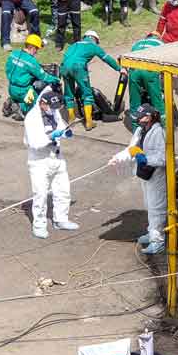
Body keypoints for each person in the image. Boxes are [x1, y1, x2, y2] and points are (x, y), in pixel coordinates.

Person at [24, 89, 79, 239]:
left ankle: (61, 219)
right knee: (40, 194)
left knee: (63, 190)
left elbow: (61, 126)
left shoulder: (54, 112)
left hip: (57, 156)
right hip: (39, 160)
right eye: (51, 107)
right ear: (42, 103)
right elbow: (35, 143)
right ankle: (39, 225)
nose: (54, 111)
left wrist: (65, 132)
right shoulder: (32, 118)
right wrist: (51, 136)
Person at [61, 30, 123, 131]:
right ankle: (89, 122)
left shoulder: (73, 45)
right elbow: (106, 58)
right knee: (87, 94)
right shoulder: (93, 46)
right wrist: (119, 69)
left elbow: (66, 58)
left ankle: (71, 119)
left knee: (69, 94)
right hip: (78, 67)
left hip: (64, 67)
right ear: (94, 38)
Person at [127, 104, 167, 255]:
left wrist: (146, 159)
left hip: (156, 176)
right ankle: (152, 233)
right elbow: (132, 147)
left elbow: (163, 158)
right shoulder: (140, 130)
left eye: (141, 117)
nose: (138, 120)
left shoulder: (159, 133)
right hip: (144, 174)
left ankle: (158, 240)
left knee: (157, 208)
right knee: (149, 206)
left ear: (149, 117)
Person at [5, 33, 59, 120]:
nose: (37, 51)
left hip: (11, 88)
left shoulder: (13, 54)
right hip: (23, 91)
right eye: (37, 49)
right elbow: (44, 76)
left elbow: (7, 68)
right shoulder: (31, 61)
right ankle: (21, 109)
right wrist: (56, 79)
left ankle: (12, 100)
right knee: (36, 106)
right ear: (32, 47)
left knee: (21, 95)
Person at [128, 31, 165, 125]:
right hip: (149, 71)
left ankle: (136, 129)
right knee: (158, 102)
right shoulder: (160, 43)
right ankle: (163, 128)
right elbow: (165, 63)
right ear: (158, 37)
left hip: (133, 71)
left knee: (134, 102)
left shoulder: (136, 43)